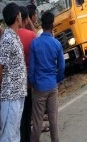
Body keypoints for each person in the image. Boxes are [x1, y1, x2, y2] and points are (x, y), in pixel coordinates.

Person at [29, 11, 65, 142]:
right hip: (52, 85)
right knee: (53, 119)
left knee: (37, 121)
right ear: (52, 25)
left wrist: (33, 83)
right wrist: (58, 79)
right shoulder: (57, 44)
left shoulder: (35, 43)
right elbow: (61, 66)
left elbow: (32, 69)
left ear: (41, 25)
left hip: (39, 87)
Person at [0, 2, 27, 142]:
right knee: (8, 135)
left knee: (14, 132)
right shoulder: (8, 39)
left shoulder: (13, 36)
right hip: (10, 94)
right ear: (17, 17)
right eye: (19, 14)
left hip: (18, 92)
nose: (21, 16)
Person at [18, 6, 37, 142]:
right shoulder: (31, 35)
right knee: (28, 113)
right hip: (29, 82)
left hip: (15, 85)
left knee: (20, 116)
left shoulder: (9, 36)